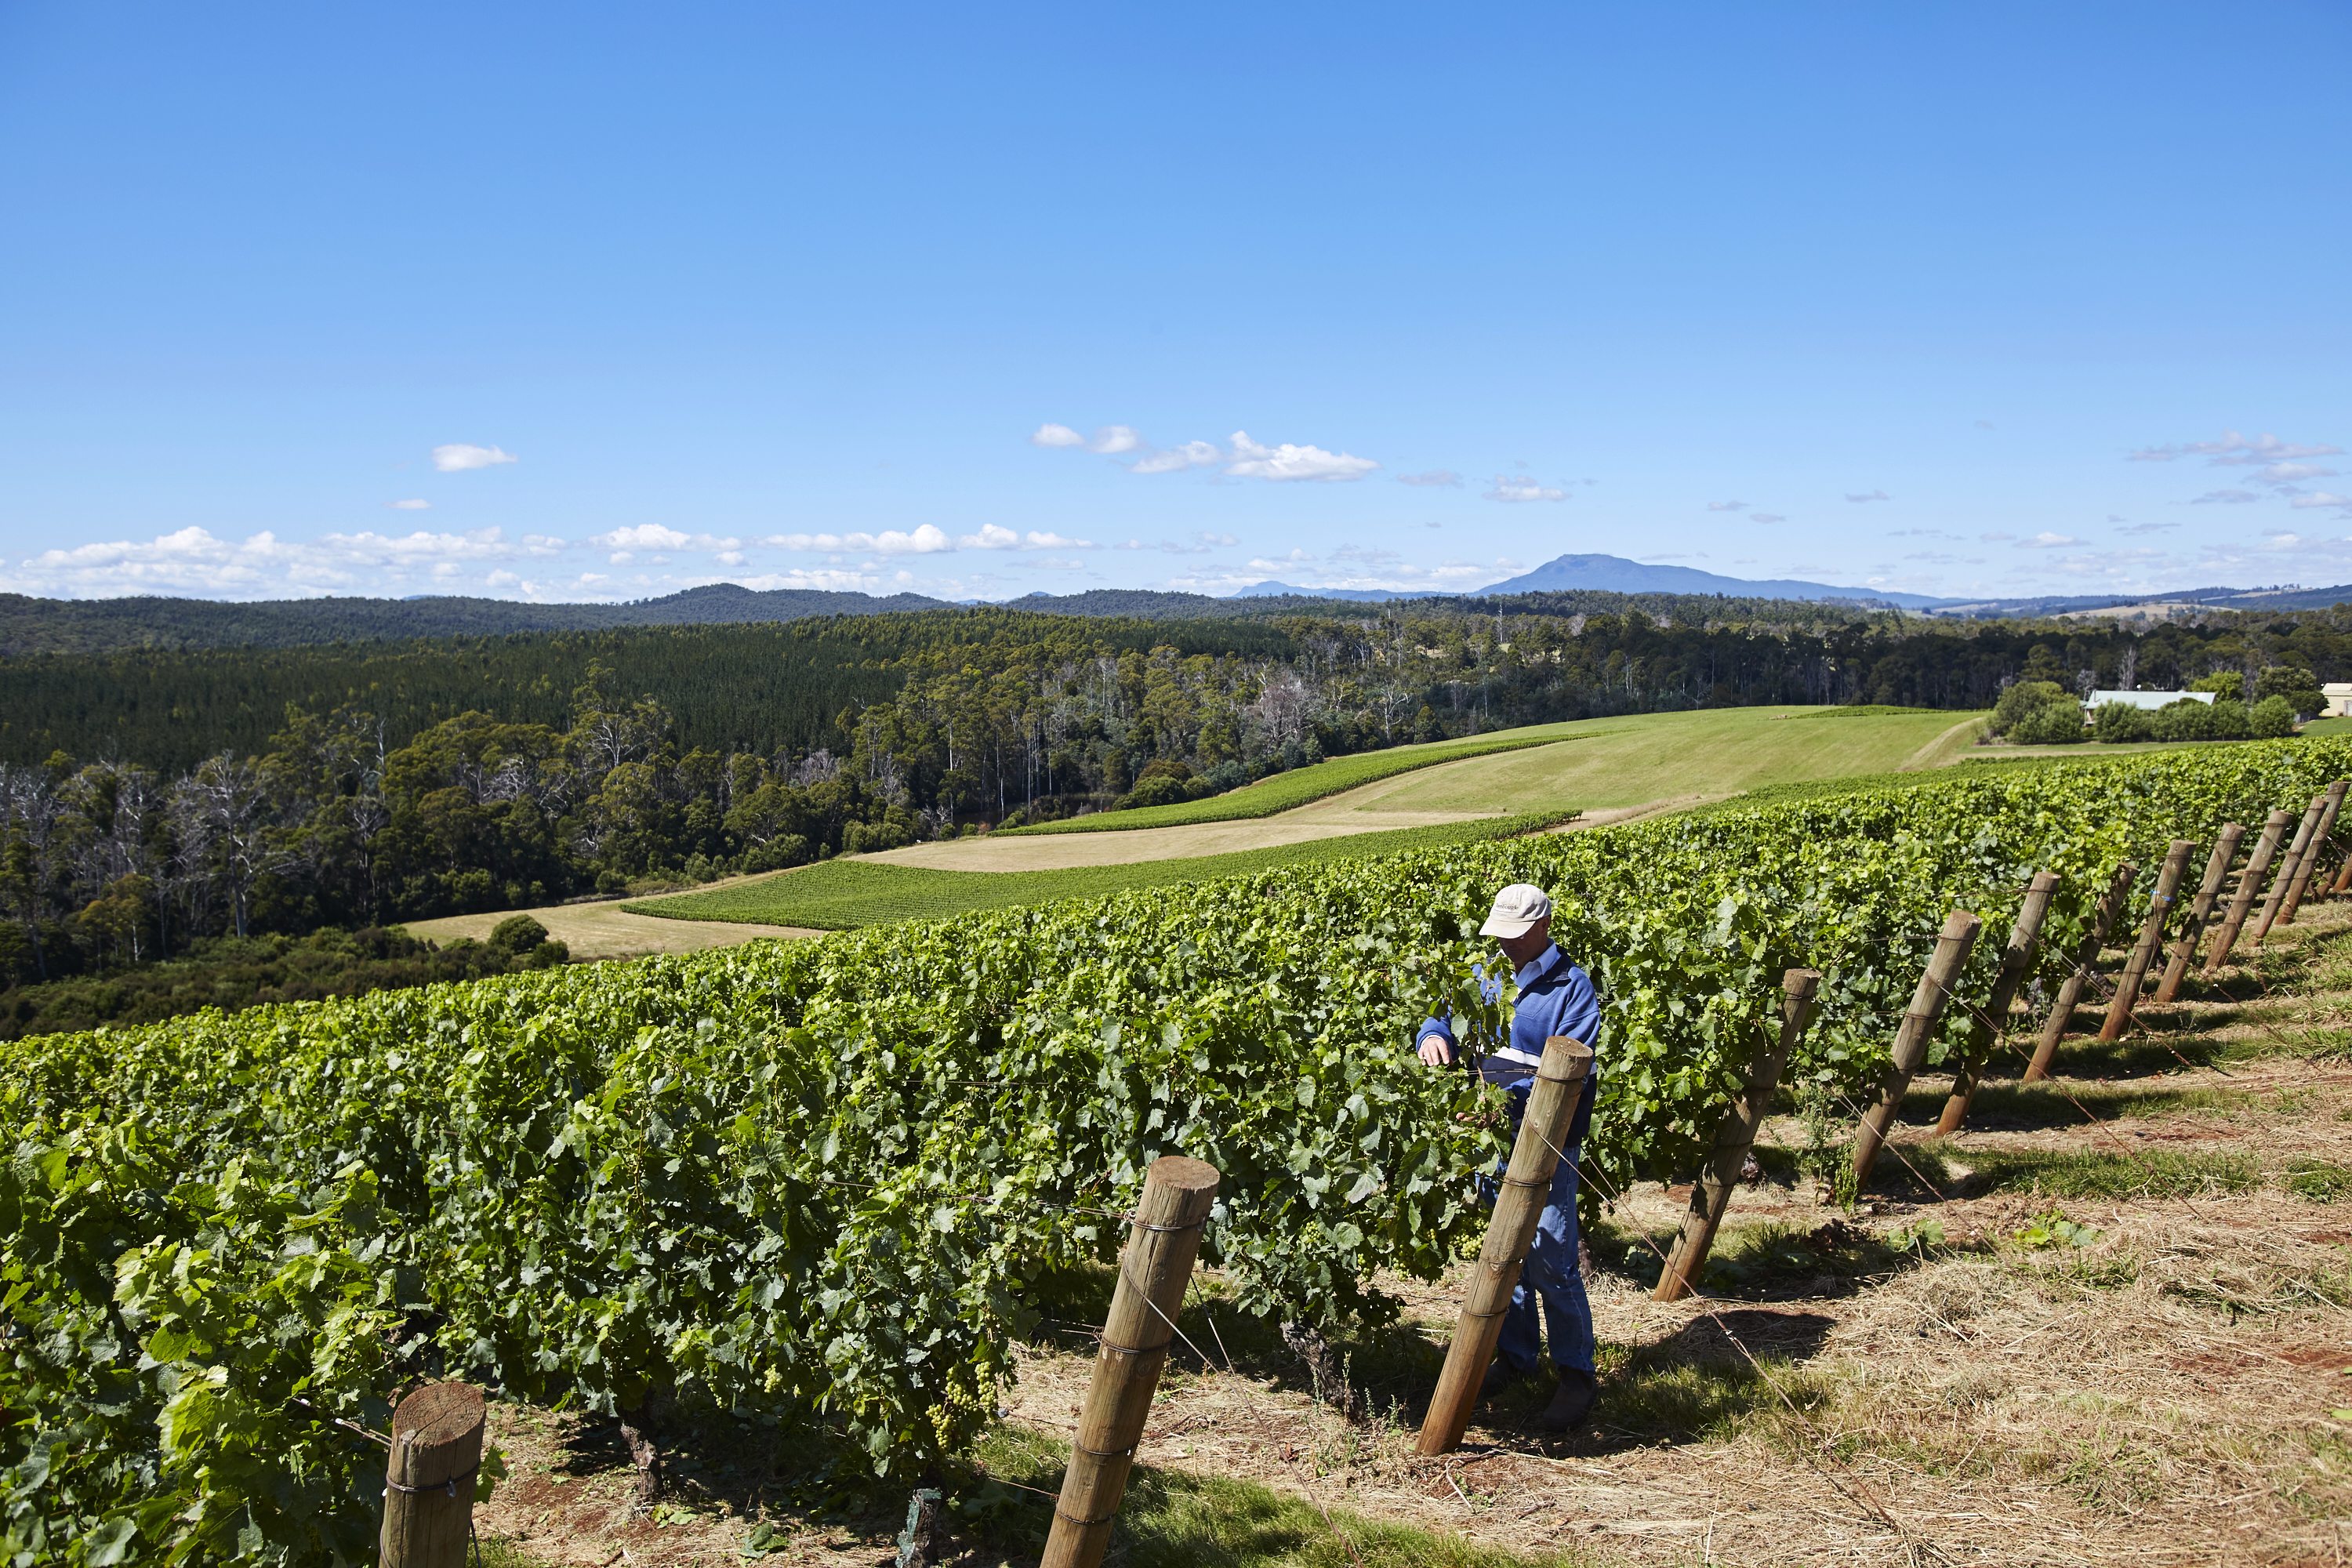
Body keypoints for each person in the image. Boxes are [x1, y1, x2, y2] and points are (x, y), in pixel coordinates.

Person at [1414, 881, 1603, 1432]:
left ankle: (1576, 1374)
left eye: (1515, 936)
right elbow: (1442, 1016)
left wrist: (1500, 1102)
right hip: (1490, 1141)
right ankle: (1518, 1357)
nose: (1506, 946)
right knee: (1503, 1252)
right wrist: (1431, 1035)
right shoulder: (1487, 976)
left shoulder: (1573, 988)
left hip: (1547, 1142)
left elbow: (1569, 1071)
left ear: (1543, 926)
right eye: (1500, 936)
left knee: (1550, 1255)